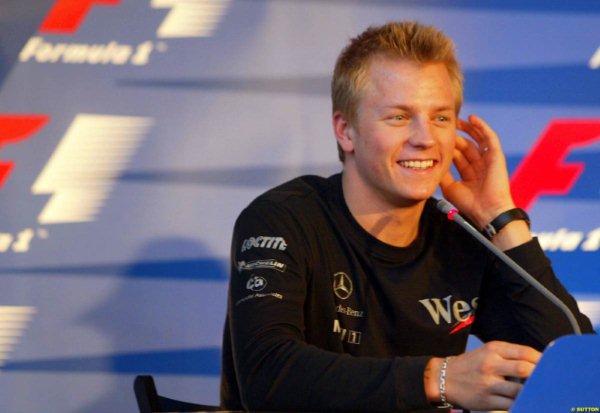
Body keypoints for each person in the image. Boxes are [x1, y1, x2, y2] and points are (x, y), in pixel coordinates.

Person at [220, 21, 594, 412]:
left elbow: (576, 373)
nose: (425, 138)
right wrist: (439, 378)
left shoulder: (461, 237)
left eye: (441, 118)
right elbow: (268, 376)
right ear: (346, 131)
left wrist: (500, 217)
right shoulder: (283, 219)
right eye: (399, 117)